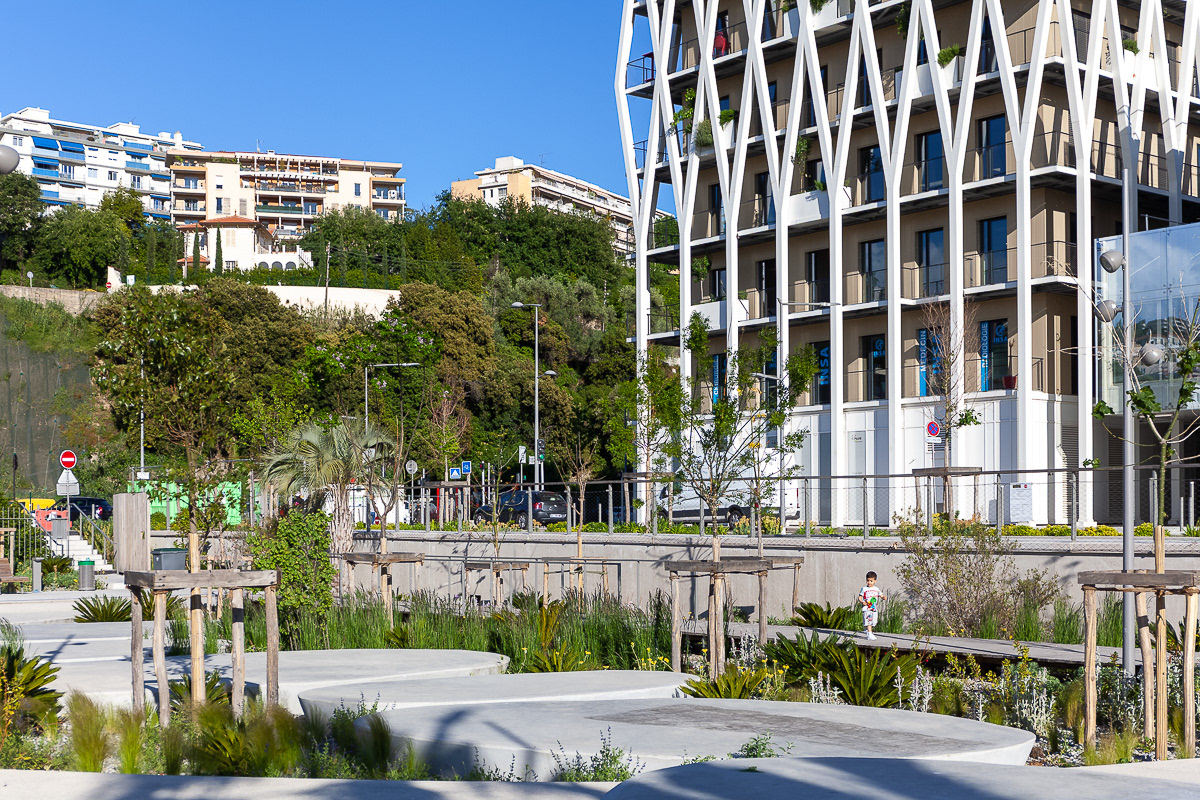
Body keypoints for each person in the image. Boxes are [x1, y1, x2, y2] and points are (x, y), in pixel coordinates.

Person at [858, 571, 886, 641]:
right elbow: (860, 597)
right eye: (868, 581)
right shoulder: (864, 589)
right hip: (867, 608)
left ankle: (867, 629)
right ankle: (870, 633)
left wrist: (883, 597)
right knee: (869, 620)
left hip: (874, 608)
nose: (869, 582)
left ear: (875, 581)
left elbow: (881, 594)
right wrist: (862, 602)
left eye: (871, 581)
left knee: (874, 621)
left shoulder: (876, 589)